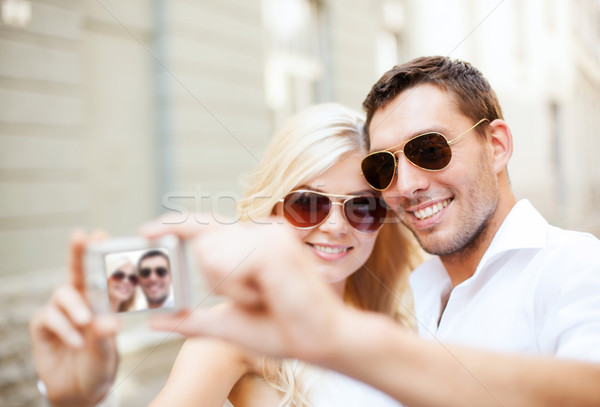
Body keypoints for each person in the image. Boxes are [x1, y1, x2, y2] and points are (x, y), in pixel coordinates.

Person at [144, 56, 600, 406]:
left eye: (430, 149)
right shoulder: (422, 297)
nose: (408, 184)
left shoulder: (575, 268)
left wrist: (337, 335)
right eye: (307, 203)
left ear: (496, 145)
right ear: (273, 209)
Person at [29, 103, 422, 406]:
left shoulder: (402, 321)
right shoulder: (231, 335)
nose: (336, 226)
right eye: (308, 203)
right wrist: (80, 400)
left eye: (362, 208)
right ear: (271, 210)